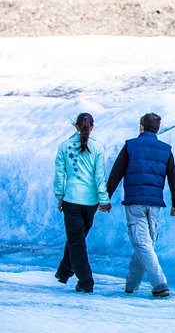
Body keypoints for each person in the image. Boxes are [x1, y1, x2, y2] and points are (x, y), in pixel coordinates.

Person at [106, 112, 175, 298]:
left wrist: (105, 197)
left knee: (142, 243)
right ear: (158, 128)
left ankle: (160, 284)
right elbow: (173, 177)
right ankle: (131, 284)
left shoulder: (131, 145)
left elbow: (116, 172)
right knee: (145, 244)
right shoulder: (165, 149)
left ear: (141, 126)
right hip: (154, 204)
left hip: (134, 202)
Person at [54, 112, 111, 293]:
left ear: (76, 126)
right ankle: (64, 272)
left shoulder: (64, 146)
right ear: (91, 127)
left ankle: (85, 282)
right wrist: (104, 200)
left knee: (76, 240)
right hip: (91, 202)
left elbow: (60, 175)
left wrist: (59, 197)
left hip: (71, 199)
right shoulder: (98, 148)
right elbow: (100, 177)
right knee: (77, 238)